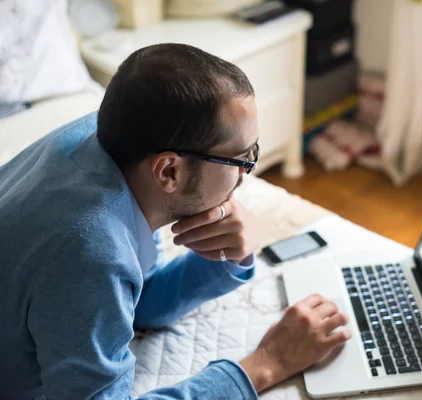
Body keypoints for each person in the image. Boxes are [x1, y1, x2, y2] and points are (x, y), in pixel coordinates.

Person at [0, 44, 351, 399]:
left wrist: (230, 256)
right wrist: (268, 363)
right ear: (169, 170)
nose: (247, 174)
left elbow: (140, 303)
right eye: (242, 159)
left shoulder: (104, 140)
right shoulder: (92, 247)